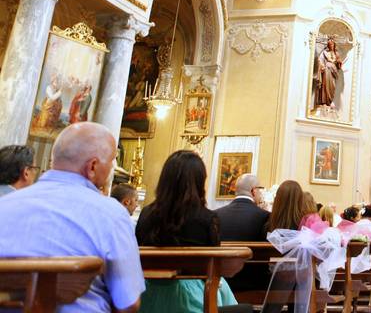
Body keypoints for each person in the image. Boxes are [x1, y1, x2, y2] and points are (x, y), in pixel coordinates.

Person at [0, 123, 144, 313]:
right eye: (112, 161)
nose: (113, 168)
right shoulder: (112, 214)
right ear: (92, 166)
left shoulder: (5, 205)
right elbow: (127, 303)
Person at [136, 150, 239, 312]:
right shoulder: (207, 219)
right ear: (199, 182)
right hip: (192, 298)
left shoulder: (146, 214)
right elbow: (214, 266)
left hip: (147, 295)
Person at [217, 174, 269, 241]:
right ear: (253, 191)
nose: (260, 193)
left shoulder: (216, 214)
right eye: (260, 189)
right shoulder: (264, 216)